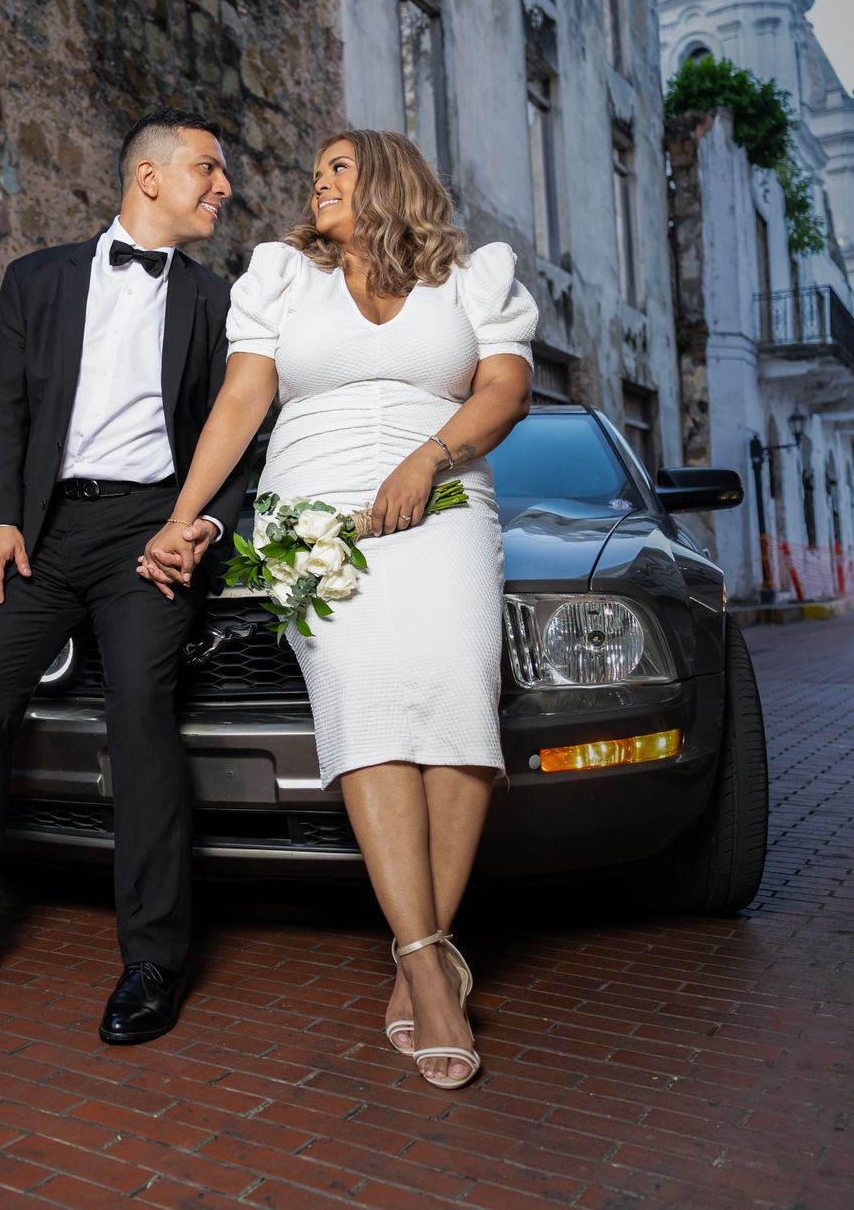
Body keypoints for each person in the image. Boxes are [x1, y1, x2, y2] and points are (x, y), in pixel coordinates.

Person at [139, 128, 537, 1087]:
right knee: (366, 700)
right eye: (315, 175)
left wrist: (429, 458)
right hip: (313, 510)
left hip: (440, 498)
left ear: (391, 179)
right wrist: (182, 518)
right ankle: (430, 965)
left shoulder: (473, 277)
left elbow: (506, 390)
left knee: (455, 694)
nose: (317, 186)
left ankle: (421, 947)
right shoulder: (282, 275)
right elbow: (240, 403)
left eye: (339, 171)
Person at [0, 108, 250, 1045]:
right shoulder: (35, 280)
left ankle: (154, 960)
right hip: (42, 533)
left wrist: (195, 526)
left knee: (141, 715)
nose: (224, 187)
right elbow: (4, 409)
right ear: (150, 178)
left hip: (148, 533)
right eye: (209, 168)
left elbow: (240, 437)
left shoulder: (219, 303)